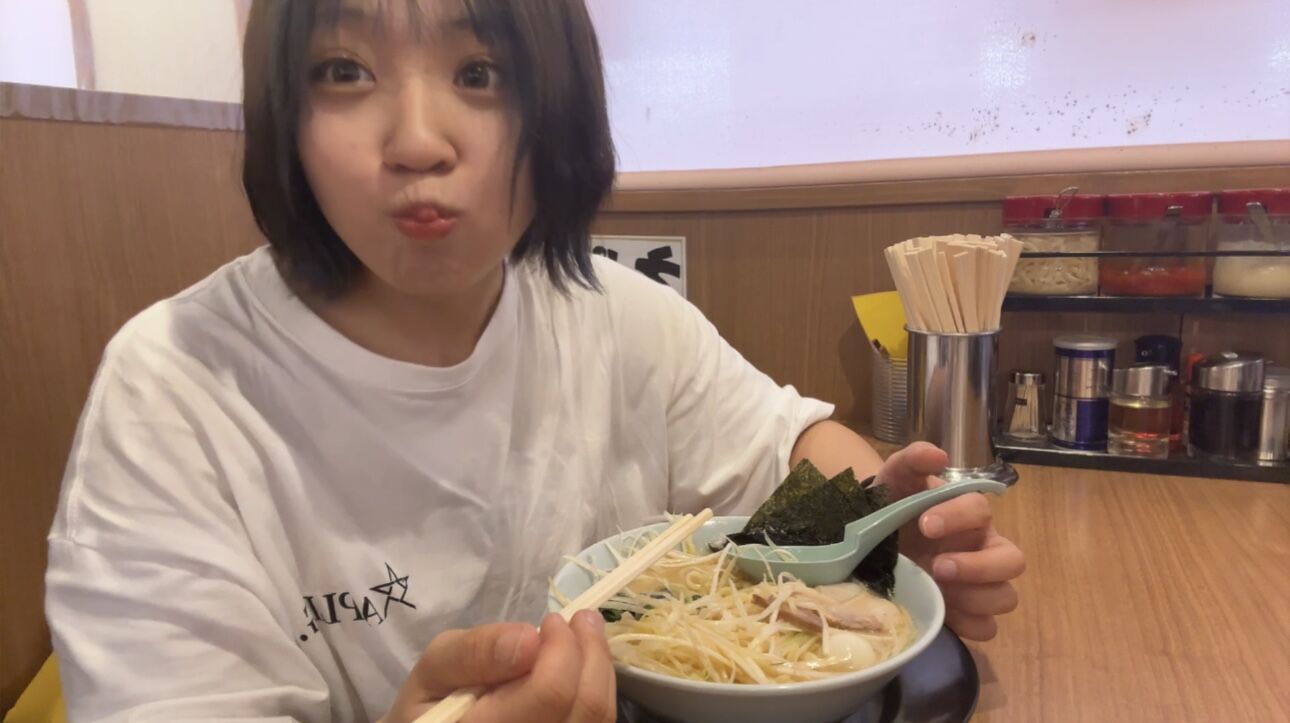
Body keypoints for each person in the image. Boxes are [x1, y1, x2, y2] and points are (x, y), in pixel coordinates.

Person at [44, 1, 1025, 721]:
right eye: (343, 69)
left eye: (480, 72)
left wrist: (881, 534)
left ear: (557, 107)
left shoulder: (620, 318)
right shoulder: (176, 389)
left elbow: (789, 448)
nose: (418, 142)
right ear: (281, 113)